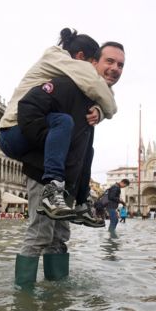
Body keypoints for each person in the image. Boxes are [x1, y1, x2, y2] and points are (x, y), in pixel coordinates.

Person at [13, 41, 125, 285]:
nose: (115, 68)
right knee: (40, 234)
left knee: (60, 237)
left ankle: (56, 298)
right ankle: (23, 304)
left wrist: (80, 192)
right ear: (92, 62)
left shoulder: (95, 102)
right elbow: (27, 107)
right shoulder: (67, 83)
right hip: (44, 173)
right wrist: (43, 146)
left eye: (120, 65)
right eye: (109, 61)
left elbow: (85, 150)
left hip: (68, 181)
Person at [0, 28, 116, 220]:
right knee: (63, 122)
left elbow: (97, 95)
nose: (94, 69)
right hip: (15, 130)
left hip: (27, 132)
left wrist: (99, 111)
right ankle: (53, 189)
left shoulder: (61, 66)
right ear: (80, 57)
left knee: (83, 141)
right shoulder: (63, 61)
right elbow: (103, 93)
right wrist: (106, 109)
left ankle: (77, 199)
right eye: (93, 63)